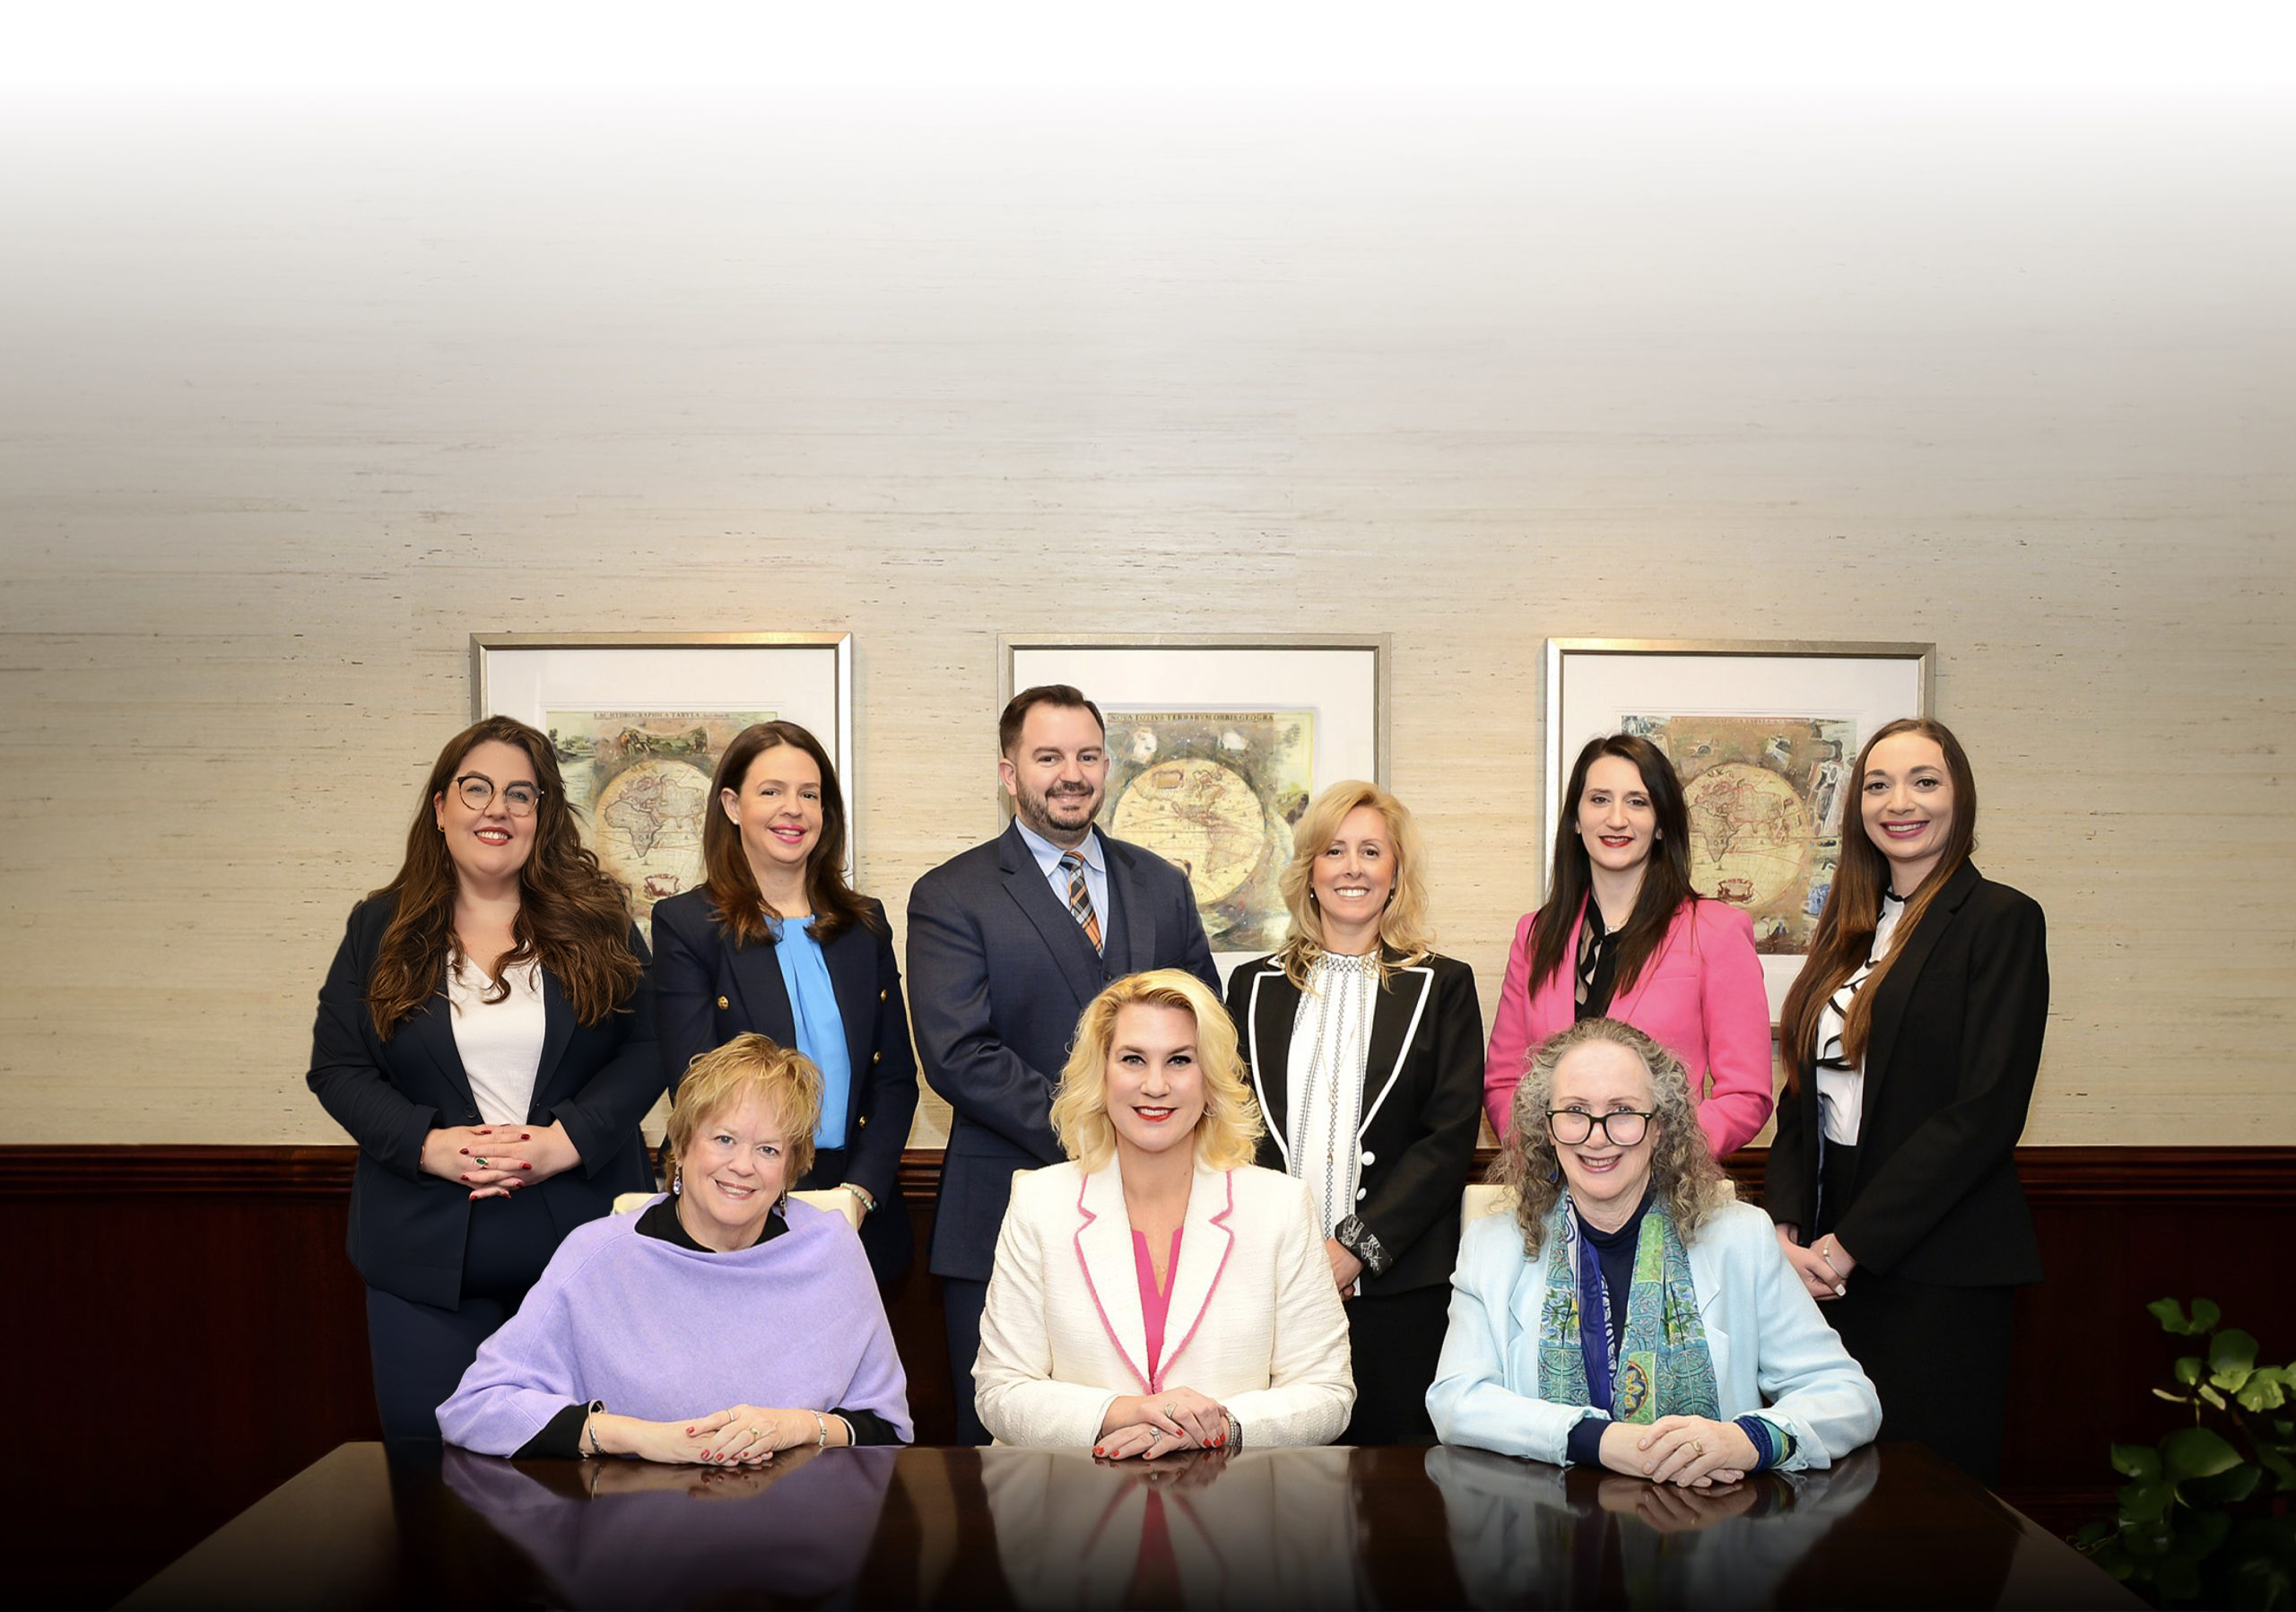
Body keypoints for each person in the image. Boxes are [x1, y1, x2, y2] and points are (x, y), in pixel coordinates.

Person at [307, 717, 662, 1441]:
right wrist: (427, 1144)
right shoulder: (378, 927)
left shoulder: (600, 921)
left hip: (582, 1245)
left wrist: (566, 1140)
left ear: (542, 815)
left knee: (586, 1467)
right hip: (422, 1253)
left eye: (520, 794)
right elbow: (338, 1067)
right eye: (476, 789)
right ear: (442, 807)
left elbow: (652, 1046)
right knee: (432, 1469)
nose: (497, 808)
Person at [908, 684, 1219, 1443]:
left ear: (1106, 766)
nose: (1070, 774)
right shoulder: (951, 894)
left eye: (1086, 755)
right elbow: (959, 1053)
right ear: (1009, 772)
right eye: (1048, 757)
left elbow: (1207, 1030)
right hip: (1001, 1215)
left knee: (1155, 1448)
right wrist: (1100, 1128)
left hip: (1161, 1224)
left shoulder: (1163, 885)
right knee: (1002, 1456)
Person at [1766, 717, 2048, 1486]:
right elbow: (1803, 1092)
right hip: (1823, 1257)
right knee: (1827, 1495)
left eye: (1925, 781)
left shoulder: (2000, 919)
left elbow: (1984, 1111)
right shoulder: (1846, 928)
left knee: (1929, 1502)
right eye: (1879, 784)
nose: (1900, 802)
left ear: (1961, 796)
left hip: (1938, 1260)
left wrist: (1849, 1244)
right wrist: (1787, 1225)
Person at [1429, 1017, 1879, 1480]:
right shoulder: (1491, 1247)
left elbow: (1848, 1396)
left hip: (1711, 1515)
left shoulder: (1742, 1239)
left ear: (1660, 1127)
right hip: (1545, 1518)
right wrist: (1598, 1440)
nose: (1597, 1136)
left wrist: (1747, 1441)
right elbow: (1455, 1401)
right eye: (1575, 1111)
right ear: (1547, 1127)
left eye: (1623, 1111)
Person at [438, 1033, 912, 1459]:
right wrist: (643, 1438)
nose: (743, 1165)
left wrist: (797, 1427)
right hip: (634, 1516)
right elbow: (476, 1408)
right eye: (724, 1139)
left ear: (791, 1169)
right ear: (681, 1147)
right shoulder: (598, 1256)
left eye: (768, 1149)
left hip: (799, 1519)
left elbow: (887, 1427)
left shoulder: (832, 1250)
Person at [973, 970, 1353, 1453]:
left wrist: (1217, 1426)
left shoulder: (1280, 1207)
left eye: (1179, 1060)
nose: (1155, 1085)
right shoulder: (1039, 1203)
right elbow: (1000, 1390)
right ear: (1101, 1074)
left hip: (1231, 1494)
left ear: (1210, 1079)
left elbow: (1327, 1393)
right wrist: (1124, 1412)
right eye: (1133, 1059)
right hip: (1075, 1494)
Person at [1222, 780, 1483, 1443]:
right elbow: (1231, 1127)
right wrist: (1290, 1256)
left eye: (1371, 851)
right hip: (1269, 1287)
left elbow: (1447, 1139)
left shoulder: (1444, 985)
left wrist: (1354, 1250)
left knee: (1395, 1480)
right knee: (1275, 1476)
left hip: (1400, 1292)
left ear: (1395, 873)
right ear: (1309, 871)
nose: (1353, 868)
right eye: (1334, 850)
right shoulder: (1251, 986)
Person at [651, 719, 918, 1287]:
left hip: (859, 1210)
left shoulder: (864, 924)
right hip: (738, 1207)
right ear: (732, 805)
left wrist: (858, 1194)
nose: (793, 809)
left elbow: (894, 1079)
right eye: (771, 791)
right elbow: (695, 1087)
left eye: (809, 794)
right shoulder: (687, 925)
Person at [1483, 733, 1772, 1155]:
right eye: (1599, 799)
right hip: (1555, 1183)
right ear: (1576, 819)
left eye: (1637, 802)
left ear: (1661, 823)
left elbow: (1746, 1096)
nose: (1616, 819)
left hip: (1664, 1184)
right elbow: (1504, 1083)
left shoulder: (1717, 931)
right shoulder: (1535, 935)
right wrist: (1547, 1156)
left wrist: (1650, 1155)